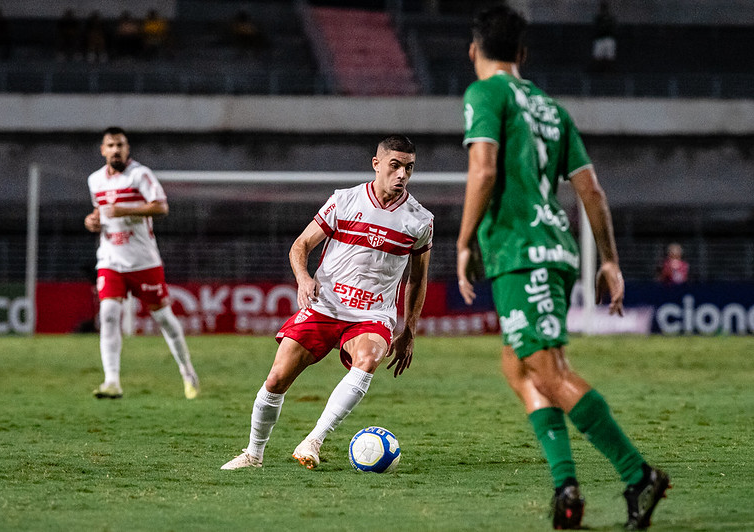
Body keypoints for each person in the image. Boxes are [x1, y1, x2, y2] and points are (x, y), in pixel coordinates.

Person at [456, 6, 669, 530]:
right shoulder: (552, 108)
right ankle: (566, 490)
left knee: (549, 370)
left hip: (520, 250)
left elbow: (483, 167)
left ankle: (638, 476)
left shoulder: (484, 94)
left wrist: (463, 241)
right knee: (518, 365)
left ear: (473, 50)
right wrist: (611, 261)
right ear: (523, 55)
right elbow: (590, 189)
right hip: (554, 248)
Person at [220, 135, 433, 470]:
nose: (402, 174)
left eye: (409, 168)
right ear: (376, 164)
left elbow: (418, 278)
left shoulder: (419, 220)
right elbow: (301, 245)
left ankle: (313, 440)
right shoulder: (344, 201)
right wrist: (304, 279)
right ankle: (253, 454)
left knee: (368, 359)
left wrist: (410, 331)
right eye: (395, 165)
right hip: (326, 306)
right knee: (276, 379)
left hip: (372, 315)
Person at [84, 127, 199, 400]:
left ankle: (187, 372)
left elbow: (161, 206)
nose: (115, 150)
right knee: (109, 315)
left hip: (143, 262)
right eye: (110, 145)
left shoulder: (140, 175)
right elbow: (99, 212)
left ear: (127, 149)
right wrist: (92, 220)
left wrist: (125, 210)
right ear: (103, 150)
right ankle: (112, 381)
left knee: (164, 319)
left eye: (120, 145)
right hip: (110, 260)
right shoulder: (95, 180)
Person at [590, 1, 617, 72]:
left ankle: (608, 71)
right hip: (599, 38)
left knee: (609, 57)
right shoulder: (598, 18)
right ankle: (597, 71)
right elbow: (596, 28)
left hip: (609, 38)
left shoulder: (610, 18)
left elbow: (612, 28)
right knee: (597, 56)